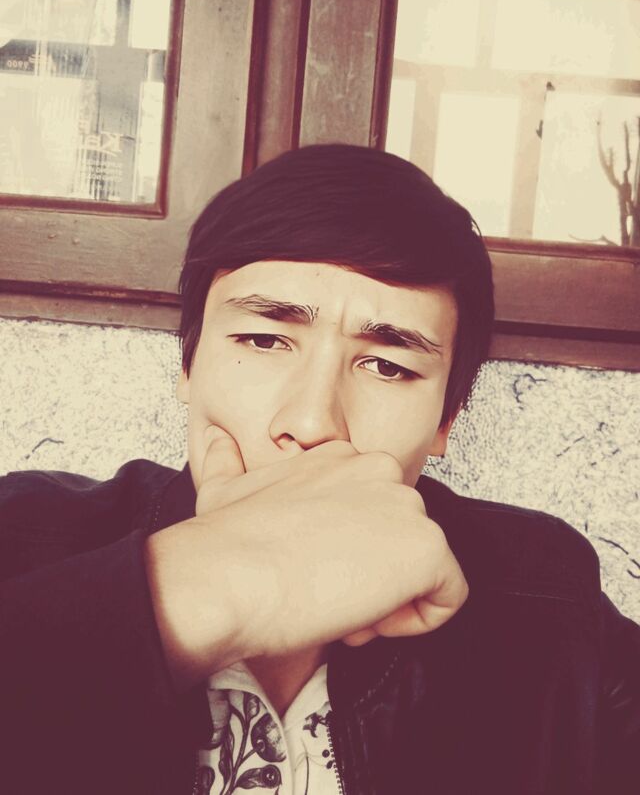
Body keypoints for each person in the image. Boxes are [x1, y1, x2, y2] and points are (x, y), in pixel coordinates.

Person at [0, 144, 637, 795]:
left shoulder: (546, 605)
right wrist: (200, 588)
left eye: (387, 365)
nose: (310, 422)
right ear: (188, 365)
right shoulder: (24, 540)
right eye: (263, 339)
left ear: (445, 420)